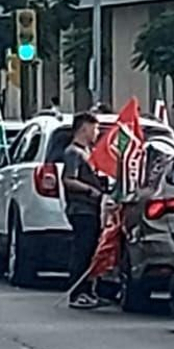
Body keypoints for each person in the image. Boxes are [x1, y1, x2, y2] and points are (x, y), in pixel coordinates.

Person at [61, 112, 107, 310]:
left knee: (91, 252)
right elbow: (68, 179)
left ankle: (89, 290)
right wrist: (90, 190)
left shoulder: (89, 152)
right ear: (84, 128)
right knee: (82, 250)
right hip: (81, 209)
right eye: (95, 128)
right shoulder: (73, 153)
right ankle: (77, 292)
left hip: (93, 209)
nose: (97, 132)